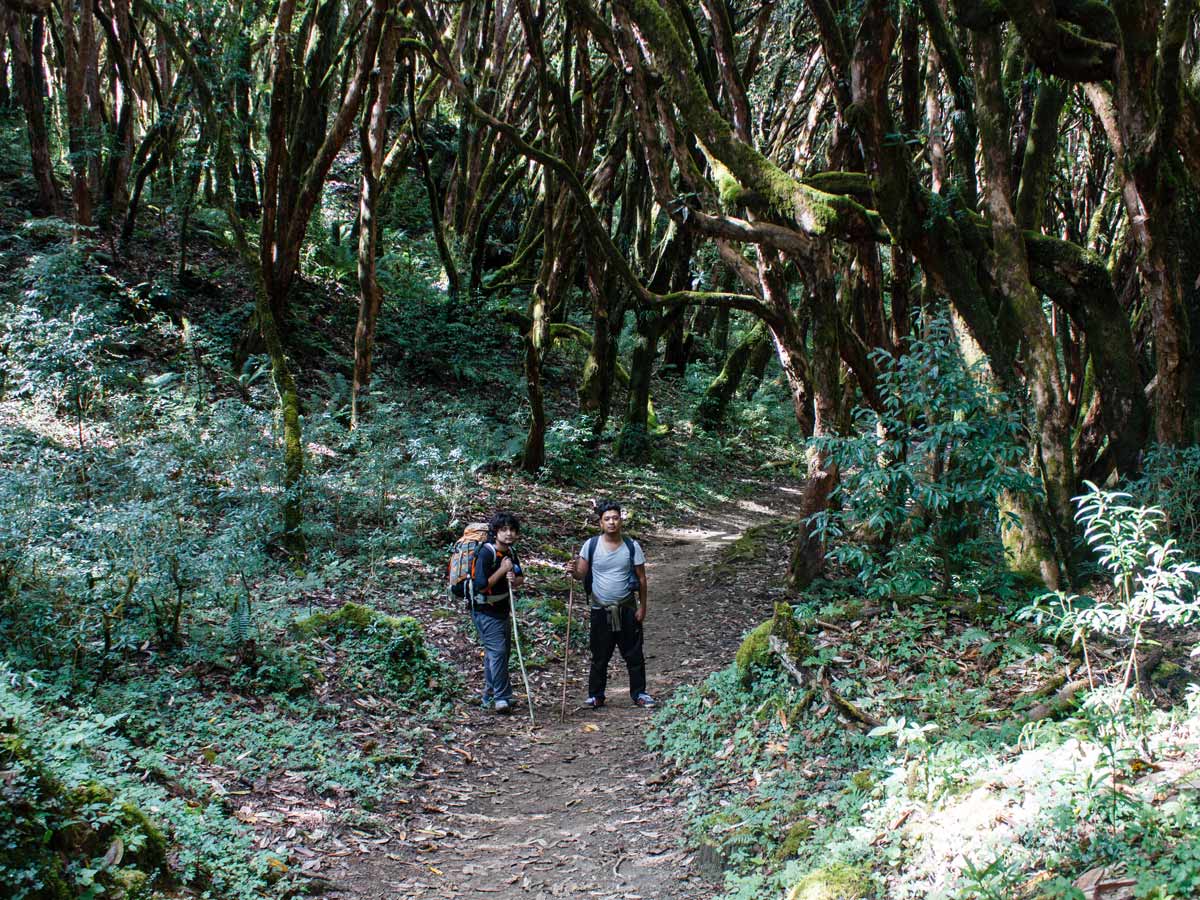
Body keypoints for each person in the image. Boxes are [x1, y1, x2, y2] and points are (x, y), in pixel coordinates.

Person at [567, 501, 654, 709]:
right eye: (607, 519)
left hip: (627, 608)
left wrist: (642, 607)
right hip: (600, 609)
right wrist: (573, 570)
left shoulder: (632, 546)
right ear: (600, 523)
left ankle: (639, 693)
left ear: (621, 520)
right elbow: (581, 574)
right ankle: (596, 695)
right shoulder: (591, 545)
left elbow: (641, 578)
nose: (612, 522)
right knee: (599, 655)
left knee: (634, 654)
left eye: (615, 518)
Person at [469, 511, 525, 714]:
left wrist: (512, 577)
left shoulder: (511, 552)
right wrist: (502, 571)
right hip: (485, 610)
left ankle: (490, 694)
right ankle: (502, 698)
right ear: (496, 532)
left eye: (512, 530)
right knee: (498, 653)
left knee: (498, 654)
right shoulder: (486, 552)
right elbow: (481, 586)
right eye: (504, 530)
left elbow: (520, 579)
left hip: (502, 609)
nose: (508, 534)